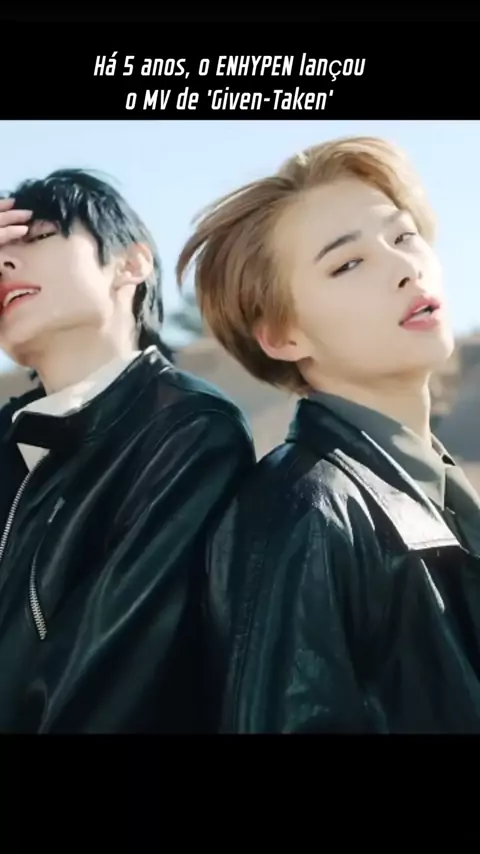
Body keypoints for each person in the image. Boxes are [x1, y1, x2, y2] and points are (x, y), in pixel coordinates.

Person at [177, 136, 480, 733]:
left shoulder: (436, 487)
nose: (405, 268)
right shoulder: (305, 509)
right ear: (282, 336)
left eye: (403, 236)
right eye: (348, 264)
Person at [0, 169, 254, 733]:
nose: (6, 264)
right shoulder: (12, 437)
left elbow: (99, 688)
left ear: (130, 264)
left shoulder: (188, 430)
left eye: (38, 237)